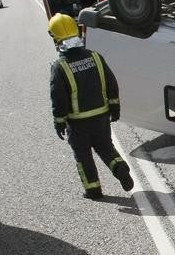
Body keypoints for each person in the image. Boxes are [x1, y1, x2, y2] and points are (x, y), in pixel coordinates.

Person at [47, 13, 134, 200]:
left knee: (83, 155)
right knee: (105, 147)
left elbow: (58, 97)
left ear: (57, 39)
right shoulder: (95, 56)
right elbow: (112, 83)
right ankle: (120, 168)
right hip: (101, 116)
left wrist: (59, 121)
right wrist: (114, 108)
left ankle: (93, 190)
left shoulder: (59, 66)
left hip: (77, 123)